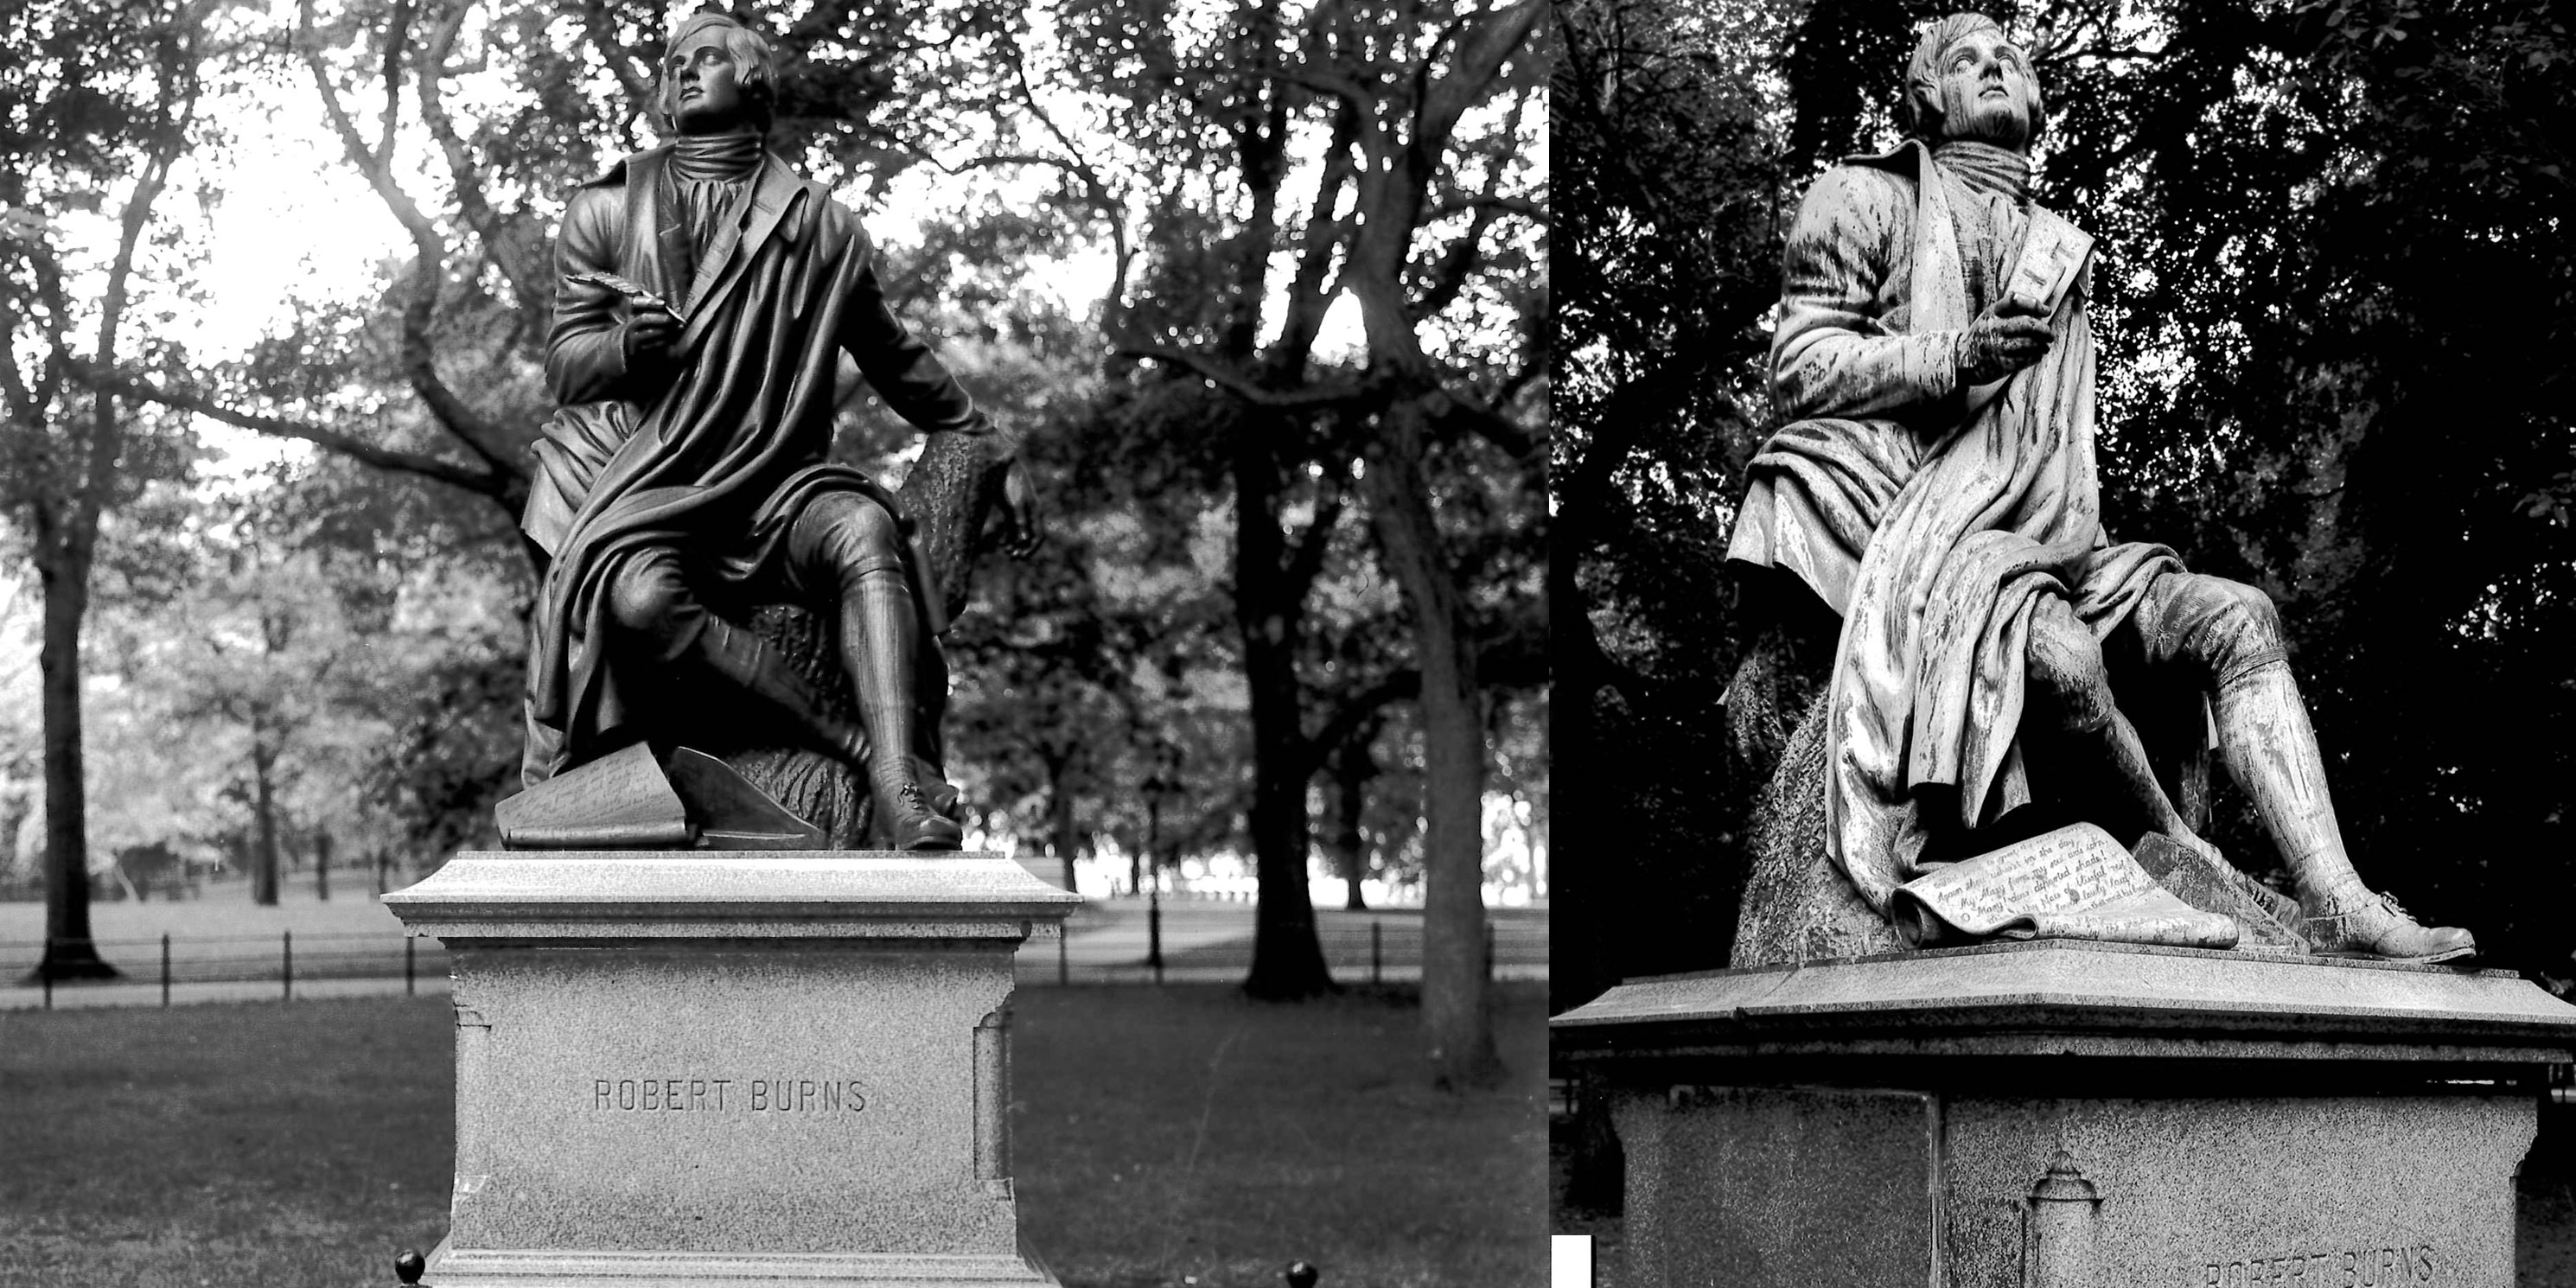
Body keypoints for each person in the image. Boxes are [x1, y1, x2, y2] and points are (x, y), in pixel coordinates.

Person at [1725, 12, 2471, 960]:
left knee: (2240, 615)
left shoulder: (2057, 252)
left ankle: (2341, 902)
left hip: (2049, 541)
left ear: (2034, 98)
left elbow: (2044, 457)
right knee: (2063, 663)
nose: (1993, 69)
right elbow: (1803, 362)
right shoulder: (1861, 198)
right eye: (1966, 61)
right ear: (1927, 97)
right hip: (1917, 524)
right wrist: (1953, 354)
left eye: (2009, 60)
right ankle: (2193, 854)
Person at [520, 11, 1037, 850]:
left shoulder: (821, 225)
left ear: (754, 82)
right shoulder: (605, 209)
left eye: (709, 58)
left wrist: (984, 432)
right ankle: (859, 747)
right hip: (653, 477)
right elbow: (565, 362)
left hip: (771, 480)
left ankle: (901, 786)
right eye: (675, 63)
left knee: (864, 527)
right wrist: (623, 346)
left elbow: (893, 354)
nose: (685, 72)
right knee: (641, 599)